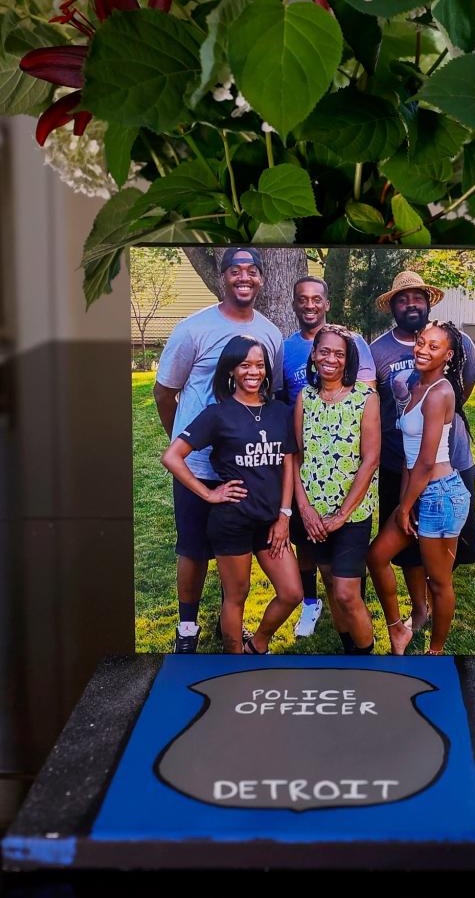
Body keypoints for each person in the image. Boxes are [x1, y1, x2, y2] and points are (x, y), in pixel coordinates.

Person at [153, 247, 283, 653]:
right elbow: (164, 391)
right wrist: (181, 440)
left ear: (261, 279)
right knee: (192, 547)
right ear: (223, 277)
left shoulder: (271, 333)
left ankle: (232, 622)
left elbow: (268, 393)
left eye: (252, 271)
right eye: (235, 271)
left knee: (234, 548)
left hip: (242, 466)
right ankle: (188, 628)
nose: (244, 278)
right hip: (197, 463)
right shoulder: (193, 329)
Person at [161, 336, 302, 654]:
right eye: (245, 365)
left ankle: (258, 644)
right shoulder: (217, 414)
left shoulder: (280, 412)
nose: (253, 371)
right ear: (231, 371)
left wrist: (284, 515)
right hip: (232, 520)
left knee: (291, 592)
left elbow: (289, 463)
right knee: (237, 596)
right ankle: (234, 660)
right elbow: (172, 457)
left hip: (270, 522)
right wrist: (208, 494)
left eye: (259, 365)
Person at [369, 271, 475, 636]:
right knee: (405, 543)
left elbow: (467, 381)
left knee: (445, 546)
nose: (411, 303)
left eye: (417, 297)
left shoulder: (456, 340)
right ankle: (419, 608)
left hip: (451, 463)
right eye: (402, 299)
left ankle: (437, 604)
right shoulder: (380, 350)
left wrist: (440, 416)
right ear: (393, 307)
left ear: (428, 301)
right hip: (398, 462)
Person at [282, 276, 376, 638]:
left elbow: (369, 459)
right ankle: (345, 642)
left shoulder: (364, 398)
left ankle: (365, 656)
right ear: (313, 356)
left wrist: (341, 515)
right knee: (329, 581)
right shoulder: (304, 396)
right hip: (312, 506)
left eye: (338, 353)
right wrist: (303, 508)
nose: (330, 359)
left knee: (346, 589)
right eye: (323, 352)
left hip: (350, 509)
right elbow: (296, 454)